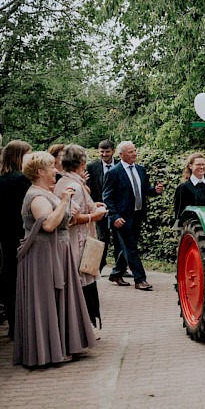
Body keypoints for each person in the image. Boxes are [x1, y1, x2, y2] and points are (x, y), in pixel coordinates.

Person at [14, 151, 95, 368]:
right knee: (47, 298)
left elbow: (62, 222)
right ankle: (48, 351)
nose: (55, 171)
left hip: (57, 252)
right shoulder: (36, 196)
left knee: (59, 297)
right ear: (40, 171)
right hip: (43, 256)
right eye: (51, 168)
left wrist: (66, 207)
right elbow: (48, 225)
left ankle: (63, 345)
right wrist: (65, 201)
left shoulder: (45, 192)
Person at [56, 145, 108, 330]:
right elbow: (71, 218)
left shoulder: (63, 181)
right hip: (77, 243)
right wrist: (95, 215)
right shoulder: (74, 186)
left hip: (73, 242)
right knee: (83, 285)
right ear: (82, 163)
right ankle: (83, 329)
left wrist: (94, 206)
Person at [103, 140, 163, 291]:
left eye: (135, 150)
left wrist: (155, 191)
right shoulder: (114, 172)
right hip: (121, 218)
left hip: (138, 215)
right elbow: (107, 197)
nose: (134, 154)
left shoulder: (141, 169)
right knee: (131, 248)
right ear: (121, 154)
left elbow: (145, 190)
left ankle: (116, 273)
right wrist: (114, 216)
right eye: (130, 152)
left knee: (129, 247)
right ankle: (140, 279)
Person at [0, 140, 32, 337]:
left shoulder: (0, 179)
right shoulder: (20, 180)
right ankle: (20, 325)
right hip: (19, 234)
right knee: (20, 280)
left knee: (9, 279)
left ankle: (13, 324)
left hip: (4, 234)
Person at [86, 140, 118, 271]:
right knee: (102, 237)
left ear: (113, 151)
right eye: (102, 152)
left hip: (116, 208)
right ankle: (99, 265)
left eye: (107, 152)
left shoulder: (121, 166)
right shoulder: (92, 167)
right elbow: (89, 187)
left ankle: (119, 267)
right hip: (99, 207)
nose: (104, 154)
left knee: (118, 239)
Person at [174, 152, 205, 223]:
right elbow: (180, 214)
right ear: (190, 166)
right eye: (198, 165)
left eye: (203, 164)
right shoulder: (184, 188)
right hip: (193, 228)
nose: (201, 167)